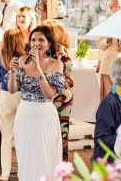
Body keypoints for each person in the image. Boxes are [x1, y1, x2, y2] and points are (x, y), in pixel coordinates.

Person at [6, 25, 66, 181]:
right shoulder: (21, 61)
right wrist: (13, 73)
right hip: (24, 114)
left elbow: (49, 93)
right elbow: (12, 89)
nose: (36, 43)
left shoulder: (56, 64)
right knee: (26, 157)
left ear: (49, 44)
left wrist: (39, 68)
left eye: (41, 40)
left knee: (44, 157)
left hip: (45, 115)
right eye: (33, 40)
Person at [0, 29, 26, 181]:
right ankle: (22, 172)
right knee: (21, 136)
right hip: (21, 95)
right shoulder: (24, 58)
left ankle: (5, 173)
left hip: (6, 95)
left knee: (6, 136)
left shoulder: (0, 57)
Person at [41, 19, 74, 161]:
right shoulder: (63, 50)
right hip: (65, 95)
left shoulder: (56, 50)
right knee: (62, 133)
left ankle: (55, 165)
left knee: (56, 132)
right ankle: (60, 164)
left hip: (58, 96)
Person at [97, 0, 121, 100]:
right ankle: (106, 115)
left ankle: (119, 115)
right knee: (107, 95)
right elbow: (99, 45)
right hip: (107, 66)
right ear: (111, 8)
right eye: (117, 7)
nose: (120, 9)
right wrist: (108, 39)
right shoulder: (105, 24)